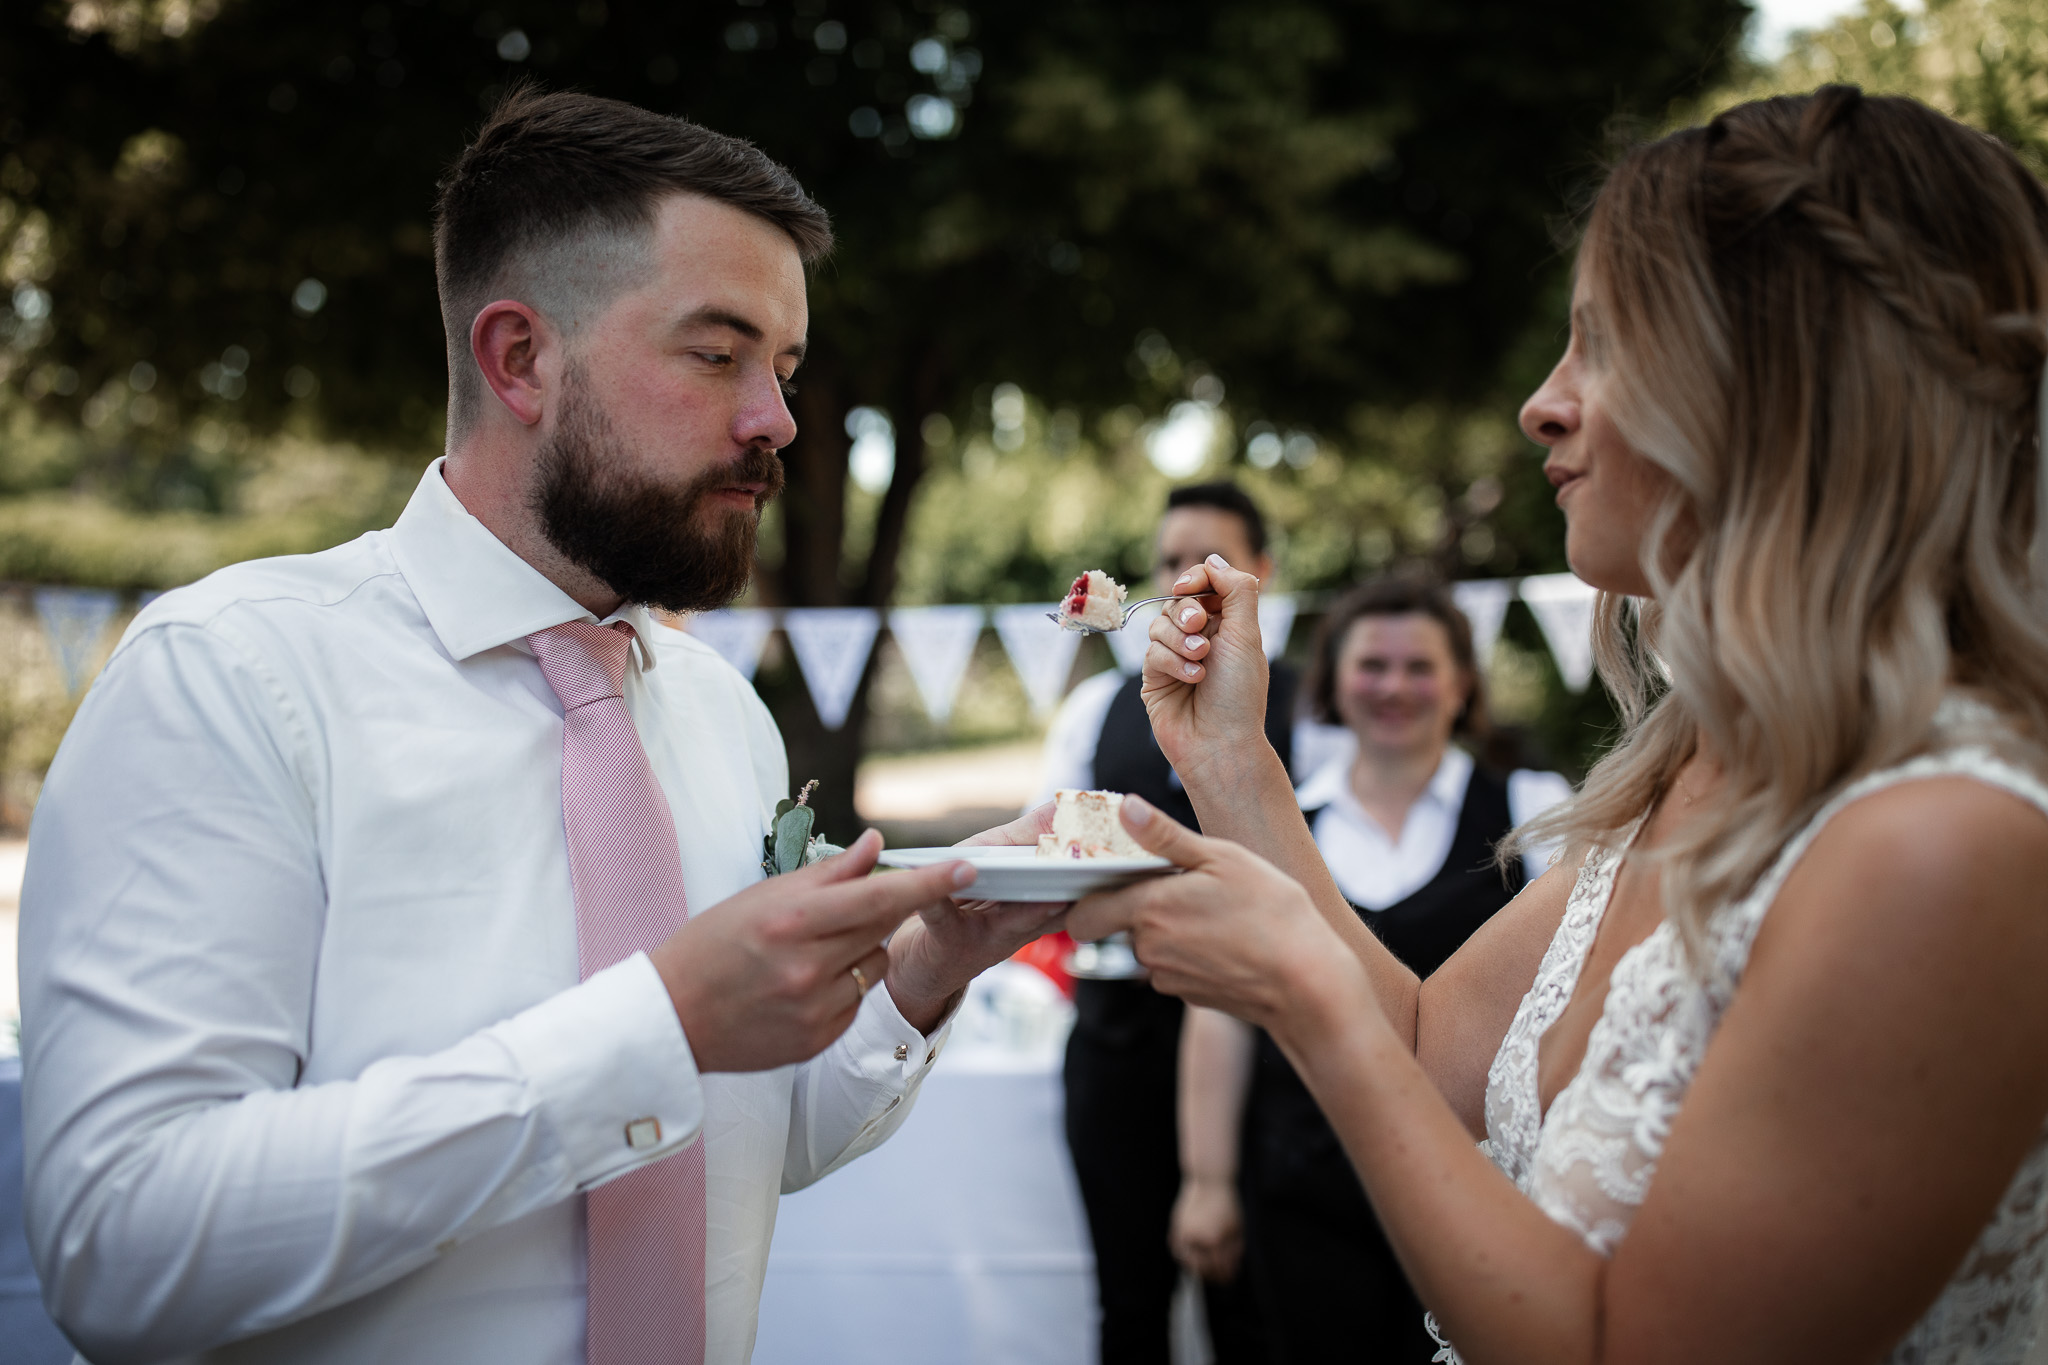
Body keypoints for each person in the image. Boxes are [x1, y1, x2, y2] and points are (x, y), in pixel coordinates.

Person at [18, 88, 1062, 1365]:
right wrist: (652, 1026)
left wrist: (926, 968)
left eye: (783, 369)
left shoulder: (719, 713)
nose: (777, 422)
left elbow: (751, 1142)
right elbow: (119, 1247)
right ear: (519, 358)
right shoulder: (232, 679)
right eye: (717, 353)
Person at [1071, 86, 2048, 1363]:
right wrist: (1231, 763)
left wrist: (1302, 997)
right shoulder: (1693, 765)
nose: (1541, 402)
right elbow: (1432, 1052)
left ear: (1777, 385)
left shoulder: (1941, 842)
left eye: (1601, 342)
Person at [1170, 578, 1570, 1363]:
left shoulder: (1532, 805)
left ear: (1461, 682)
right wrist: (1207, 1176)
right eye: (1372, 665)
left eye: (1419, 666)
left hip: (1478, 1186)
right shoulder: (1280, 821)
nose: (1394, 686)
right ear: (1333, 685)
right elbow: (1221, 1011)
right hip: (1302, 1182)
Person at [1034, 481, 1294, 1365]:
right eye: (1167, 560)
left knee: (1260, 1314)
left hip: (1268, 1045)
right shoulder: (1091, 714)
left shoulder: (1315, 704)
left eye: (1208, 563)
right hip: (1122, 1038)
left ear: (1261, 574)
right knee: (1130, 1306)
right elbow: (1062, 870)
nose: (1182, 580)